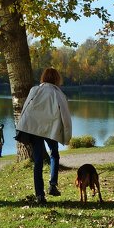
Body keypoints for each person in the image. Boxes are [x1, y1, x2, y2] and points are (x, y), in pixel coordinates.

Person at [15, 67, 73, 203]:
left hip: (34, 129)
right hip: (50, 129)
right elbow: (65, 115)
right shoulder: (58, 94)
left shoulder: (35, 90)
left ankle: (39, 195)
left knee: (38, 162)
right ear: (57, 79)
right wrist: (67, 134)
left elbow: (26, 109)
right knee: (54, 155)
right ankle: (52, 184)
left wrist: (21, 127)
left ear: (43, 77)